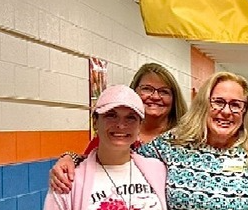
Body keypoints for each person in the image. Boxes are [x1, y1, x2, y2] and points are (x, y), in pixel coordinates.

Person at [55, 71, 248, 210]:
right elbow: (120, 159)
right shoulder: (173, 144)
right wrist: (72, 159)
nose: (226, 111)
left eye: (236, 105)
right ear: (205, 104)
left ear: (245, 111)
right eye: (218, 102)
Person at [50, 63, 189, 192]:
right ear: (133, 92)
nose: (155, 96)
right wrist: (70, 159)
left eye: (164, 92)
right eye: (147, 89)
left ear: (174, 98)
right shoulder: (115, 134)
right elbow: (90, 160)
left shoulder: (185, 138)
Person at [44, 84, 167, 210]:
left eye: (131, 118)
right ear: (95, 122)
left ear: (140, 125)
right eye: (111, 115)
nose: (121, 125)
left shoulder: (159, 171)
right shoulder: (67, 181)